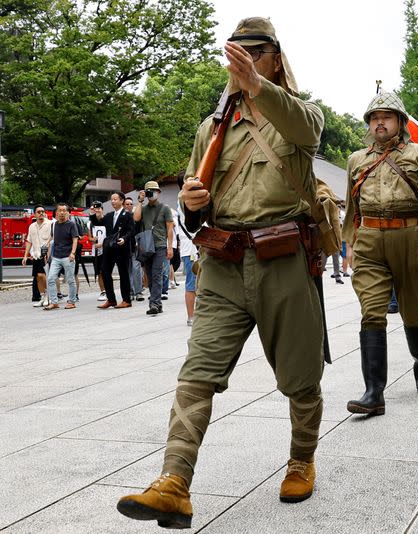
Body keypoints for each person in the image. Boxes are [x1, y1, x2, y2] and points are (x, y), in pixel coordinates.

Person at [117, 18, 327, 527]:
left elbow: (309, 131)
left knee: (300, 376)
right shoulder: (211, 128)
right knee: (197, 373)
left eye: (256, 52)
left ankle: (301, 459)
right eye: (238, 53)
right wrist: (192, 205)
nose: (245, 61)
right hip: (224, 262)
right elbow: (196, 203)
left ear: (275, 57)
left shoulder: (299, 115)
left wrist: (257, 88)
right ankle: (174, 483)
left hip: (284, 259)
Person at [343, 91, 418, 415]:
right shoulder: (356, 160)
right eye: (375, 118)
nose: (380, 123)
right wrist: (349, 244)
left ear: (400, 123)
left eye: (386, 117)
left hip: (410, 237)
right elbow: (352, 209)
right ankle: (374, 392)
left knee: (413, 310)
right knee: (371, 311)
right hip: (370, 239)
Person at [133, 181, 174, 315]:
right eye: (149, 191)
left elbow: (169, 229)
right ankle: (157, 304)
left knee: (157, 274)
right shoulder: (143, 209)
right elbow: (136, 218)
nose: (152, 193)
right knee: (150, 276)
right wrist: (140, 201)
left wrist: (170, 247)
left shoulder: (165, 208)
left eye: (154, 191)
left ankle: (154, 303)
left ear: (159, 192)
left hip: (160, 245)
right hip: (147, 246)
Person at [89, 191, 134, 309]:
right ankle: (111, 299)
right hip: (109, 249)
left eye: (115, 199)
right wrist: (94, 213)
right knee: (104, 272)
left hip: (122, 249)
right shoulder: (109, 215)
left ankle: (126, 300)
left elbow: (131, 230)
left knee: (123, 274)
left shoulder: (127, 214)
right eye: (112, 199)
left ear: (122, 201)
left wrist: (124, 238)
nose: (113, 201)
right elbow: (97, 222)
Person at [43, 203, 79, 310]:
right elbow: (52, 237)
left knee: (70, 279)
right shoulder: (54, 225)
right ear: (56, 212)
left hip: (68, 257)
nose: (62, 213)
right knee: (50, 278)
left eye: (64, 210)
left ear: (68, 213)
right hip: (56, 257)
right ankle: (54, 302)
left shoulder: (71, 224)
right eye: (60, 210)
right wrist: (47, 248)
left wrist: (72, 253)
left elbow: (75, 239)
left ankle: (72, 301)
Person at [22, 205, 53, 307]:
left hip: (46, 255)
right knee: (37, 277)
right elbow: (29, 241)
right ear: (35, 214)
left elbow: (54, 238)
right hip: (35, 255)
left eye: (43, 211)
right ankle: (42, 296)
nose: (41, 214)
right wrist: (25, 256)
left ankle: (48, 296)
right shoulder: (32, 226)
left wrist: (48, 250)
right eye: (39, 212)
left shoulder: (50, 224)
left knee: (43, 275)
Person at [174, 206, 198, 326]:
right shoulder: (186, 203)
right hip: (191, 250)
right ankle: (191, 316)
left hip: (199, 248)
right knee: (191, 283)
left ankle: (197, 316)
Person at [123, 197, 145, 301]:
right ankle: (130, 291)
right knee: (127, 270)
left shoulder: (136, 216)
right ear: (123, 205)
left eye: (130, 204)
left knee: (136, 269)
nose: (128, 206)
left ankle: (139, 292)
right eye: (126, 204)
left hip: (136, 246)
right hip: (125, 247)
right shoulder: (121, 217)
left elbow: (141, 229)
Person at [88, 201, 108, 302]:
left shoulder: (107, 221)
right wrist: (93, 240)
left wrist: (102, 243)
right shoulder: (90, 223)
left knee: (106, 271)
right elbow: (89, 238)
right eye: (94, 209)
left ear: (102, 209)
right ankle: (103, 291)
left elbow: (110, 236)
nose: (97, 210)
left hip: (106, 250)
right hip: (95, 251)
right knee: (99, 272)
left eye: (99, 208)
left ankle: (109, 290)